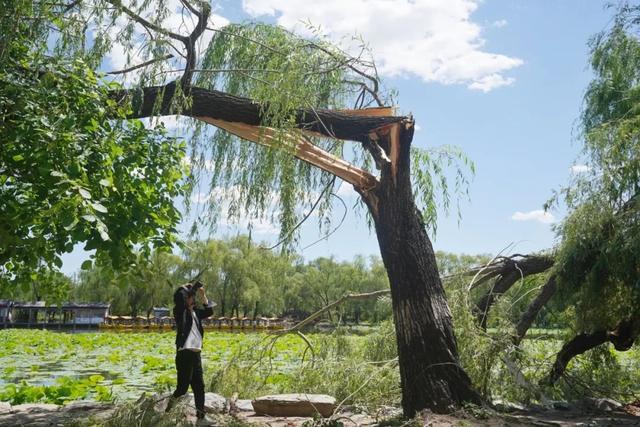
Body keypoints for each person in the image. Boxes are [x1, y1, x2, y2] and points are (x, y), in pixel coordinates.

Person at [166, 281, 215, 424]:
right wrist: (187, 287)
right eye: (190, 297)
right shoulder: (180, 312)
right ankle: (168, 410)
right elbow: (179, 297)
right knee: (182, 388)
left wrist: (203, 294)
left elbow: (210, 311)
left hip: (196, 354)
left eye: (193, 297)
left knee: (199, 386)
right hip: (184, 353)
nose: (192, 298)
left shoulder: (196, 314)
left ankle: (201, 417)